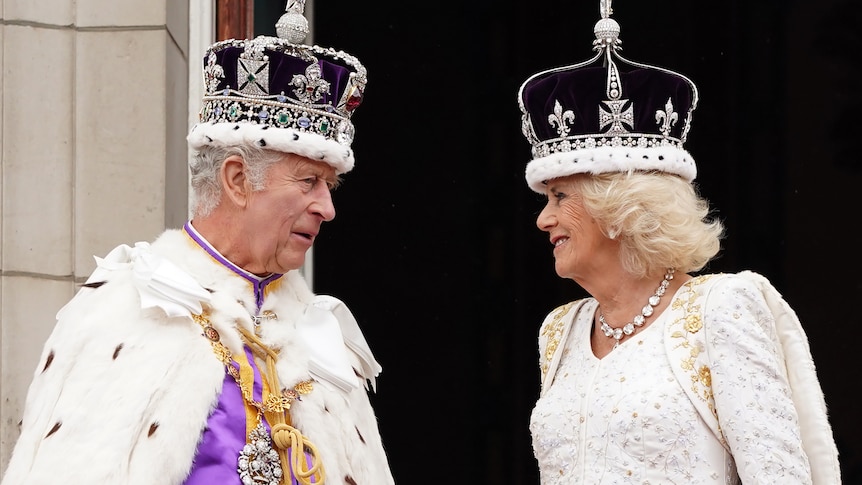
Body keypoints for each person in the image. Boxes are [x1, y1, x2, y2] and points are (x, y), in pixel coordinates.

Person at [0, 2, 395, 484]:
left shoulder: (322, 339)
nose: (326, 208)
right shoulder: (126, 313)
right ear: (236, 179)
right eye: (308, 180)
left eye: (328, 188)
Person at [516, 2, 841, 484]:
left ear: (619, 208)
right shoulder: (559, 330)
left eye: (561, 196)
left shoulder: (722, 308)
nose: (545, 219)